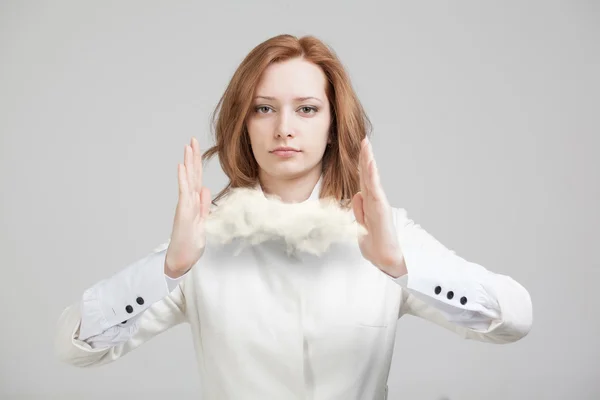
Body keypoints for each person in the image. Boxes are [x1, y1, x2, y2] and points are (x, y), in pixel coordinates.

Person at [54, 34, 533, 399]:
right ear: (243, 123)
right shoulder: (204, 242)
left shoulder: (382, 233)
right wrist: (167, 270)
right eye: (264, 109)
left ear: (331, 125)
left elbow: (514, 319)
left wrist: (401, 265)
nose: (284, 129)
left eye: (306, 109)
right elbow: (75, 346)